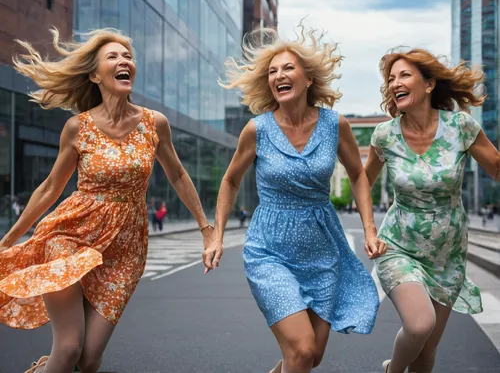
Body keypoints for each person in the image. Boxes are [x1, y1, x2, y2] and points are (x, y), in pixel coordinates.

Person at [0, 28, 213, 373]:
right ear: (95, 75)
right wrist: (10, 238)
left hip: (126, 248)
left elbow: (177, 175)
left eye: (128, 56)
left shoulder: (154, 124)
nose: (124, 61)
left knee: (89, 360)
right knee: (68, 349)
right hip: (70, 236)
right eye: (113, 57)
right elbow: (51, 188)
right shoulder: (77, 127)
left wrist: (205, 227)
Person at [203, 26, 386, 373]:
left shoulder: (335, 124)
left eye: (287, 68)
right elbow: (229, 181)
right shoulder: (257, 129)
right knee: (301, 350)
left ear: (307, 80)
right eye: (272, 71)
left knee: (308, 356)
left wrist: (370, 229)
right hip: (269, 250)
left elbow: (358, 173)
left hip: (322, 250)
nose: (278, 76)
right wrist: (217, 235)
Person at [365, 48, 500, 373]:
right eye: (391, 78)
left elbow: (496, 167)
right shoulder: (385, 135)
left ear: (429, 85)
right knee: (419, 325)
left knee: (426, 354)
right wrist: (370, 229)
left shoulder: (461, 128)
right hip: (398, 247)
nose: (395, 82)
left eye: (404, 75)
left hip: (447, 255)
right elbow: (362, 181)